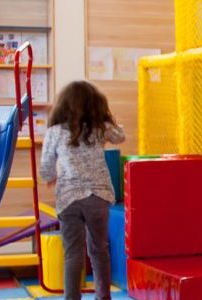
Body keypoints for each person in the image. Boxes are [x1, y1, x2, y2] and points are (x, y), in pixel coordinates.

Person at [39, 81, 124, 300]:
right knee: (99, 251)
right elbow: (120, 137)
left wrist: (50, 177)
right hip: (98, 196)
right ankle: (103, 296)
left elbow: (46, 165)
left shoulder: (55, 132)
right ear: (95, 105)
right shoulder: (99, 129)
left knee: (73, 254)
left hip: (69, 198)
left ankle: (72, 298)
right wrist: (108, 117)